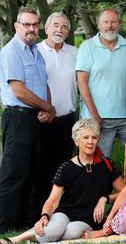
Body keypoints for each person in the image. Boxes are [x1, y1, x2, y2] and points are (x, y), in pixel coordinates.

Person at [2, 119, 124, 243]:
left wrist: (105, 198)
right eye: (85, 137)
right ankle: (17, 239)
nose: (90, 142)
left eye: (94, 137)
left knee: (72, 231)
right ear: (76, 141)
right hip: (65, 212)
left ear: (98, 140)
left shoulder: (107, 165)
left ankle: (37, 238)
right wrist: (44, 216)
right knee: (54, 229)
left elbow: (124, 192)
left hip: (88, 219)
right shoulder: (66, 167)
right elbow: (53, 200)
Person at [0, 7, 57, 233]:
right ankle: (4, 224)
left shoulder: (35, 51)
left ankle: (24, 220)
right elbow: (19, 91)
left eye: (34, 25)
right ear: (16, 26)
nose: (31, 29)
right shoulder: (12, 51)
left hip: (36, 119)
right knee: (14, 173)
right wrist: (48, 107)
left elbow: (44, 84)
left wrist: (49, 109)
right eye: (27, 24)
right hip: (18, 118)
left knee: (34, 171)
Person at [33, 12, 78, 218]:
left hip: (68, 119)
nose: (60, 30)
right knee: (41, 166)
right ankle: (38, 213)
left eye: (64, 27)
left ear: (68, 31)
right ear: (46, 28)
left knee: (64, 168)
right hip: (42, 120)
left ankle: (59, 211)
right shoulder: (35, 51)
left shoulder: (75, 52)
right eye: (56, 25)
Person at [76, 9, 126, 159]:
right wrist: (94, 114)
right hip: (97, 117)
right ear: (98, 25)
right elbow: (81, 82)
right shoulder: (87, 47)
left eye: (113, 22)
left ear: (119, 25)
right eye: (106, 22)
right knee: (99, 162)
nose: (110, 26)